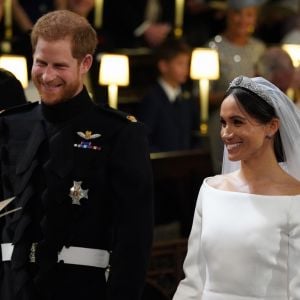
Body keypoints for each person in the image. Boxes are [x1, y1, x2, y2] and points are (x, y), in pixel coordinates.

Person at [0, 10, 153, 300]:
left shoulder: (119, 133)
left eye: (59, 65)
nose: (47, 76)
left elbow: (134, 238)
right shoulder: (9, 125)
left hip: (81, 289)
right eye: (40, 63)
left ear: (85, 63)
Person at [173, 75, 300, 300]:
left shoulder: (294, 198)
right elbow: (193, 280)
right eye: (223, 122)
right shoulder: (211, 190)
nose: (226, 133)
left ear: (271, 126)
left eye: (237, 122)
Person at [207, 0, 266, 174]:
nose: (242, 20)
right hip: (224, 123)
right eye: (237, 13)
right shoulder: (213, 48)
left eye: (249, 14)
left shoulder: (259, 48)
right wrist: (237, 94)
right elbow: (202, 96)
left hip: (254, 123)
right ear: (228, 15)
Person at [137, 38, 200, 152]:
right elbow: (145, 139)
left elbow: (193, 133)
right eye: (180, 63)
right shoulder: (152, 98)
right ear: (163, 66)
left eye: (187, 64)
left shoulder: (186, 97)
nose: (186, 69)